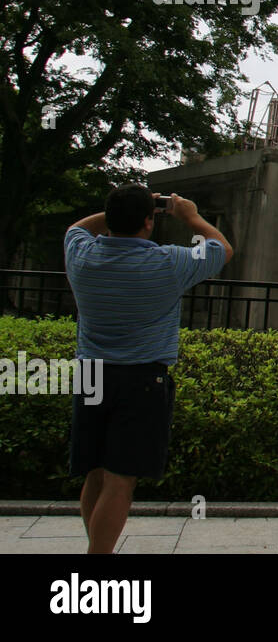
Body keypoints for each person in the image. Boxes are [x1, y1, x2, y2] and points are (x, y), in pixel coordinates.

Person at [64, 185, 232, 554]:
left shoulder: (82, 255)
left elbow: (76, 228)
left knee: (94, 472)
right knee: (121, 478)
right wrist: (188, 215)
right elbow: (220, 248)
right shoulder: (167, 262)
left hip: (91, 372)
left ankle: (96, 548)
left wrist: (119, 210)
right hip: (141, 378)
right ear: (148, 222)